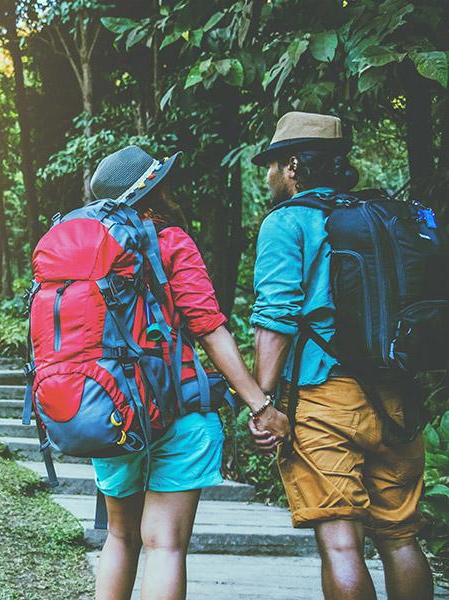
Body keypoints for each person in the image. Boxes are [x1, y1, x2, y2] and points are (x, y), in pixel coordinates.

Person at [89, 146, 290, 600]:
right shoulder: (171, 241)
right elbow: (209, 329)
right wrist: (259, 404)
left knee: (120, 538)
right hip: (179, 409)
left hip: (112, 411)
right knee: (164, 546)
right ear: (154, 195)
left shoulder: (92, 250)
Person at [250, 111, 433, 600]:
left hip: (321, 399)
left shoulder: (287, 222)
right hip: (395, 395)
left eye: (271, 164)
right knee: (400, 538)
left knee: (340, 542)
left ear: (292, 166)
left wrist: (263, 402)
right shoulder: (385, 217)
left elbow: (275, 318)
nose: (268, 176)